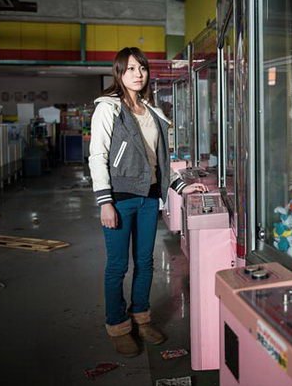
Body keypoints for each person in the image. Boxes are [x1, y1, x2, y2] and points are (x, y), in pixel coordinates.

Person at [89, 47, 206, 357]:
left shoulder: (151, 110)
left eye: (141, 68)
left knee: (145, 262)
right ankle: (117, 326)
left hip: (148, 199)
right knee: (117, 266)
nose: (137, 74)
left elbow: (160, 160)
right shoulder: (108, 108)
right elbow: (97, 156)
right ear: (119, 73)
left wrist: (180, 186)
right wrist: (105, 202)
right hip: (119, 199)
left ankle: (141, 319)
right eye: (130, 68)